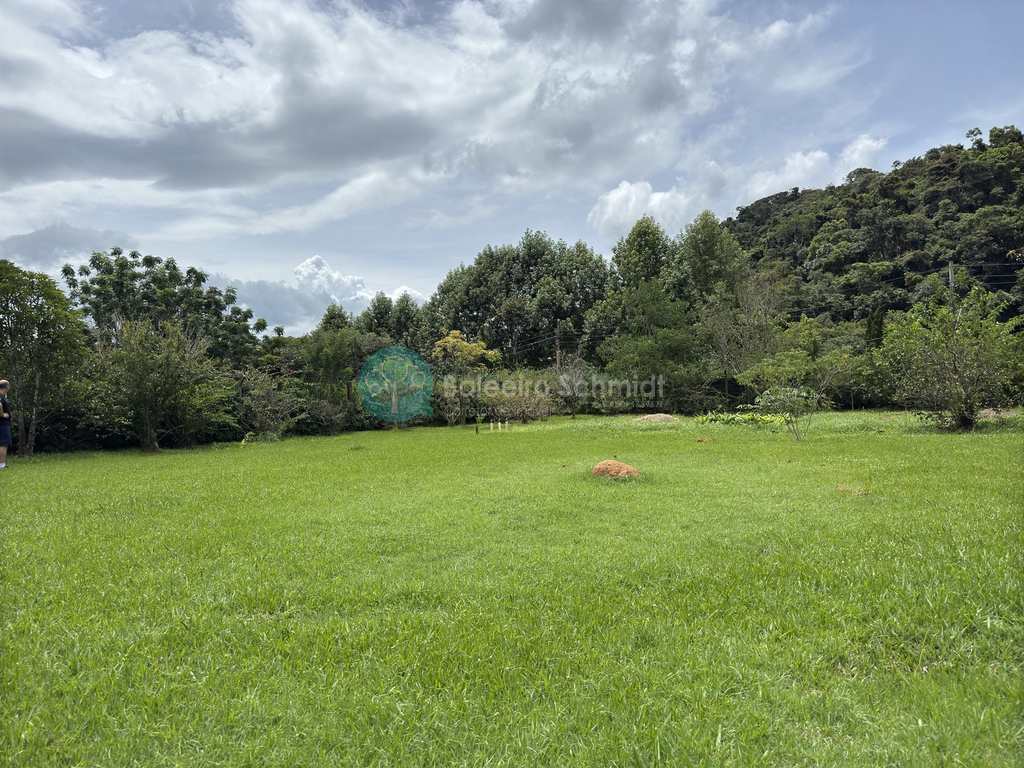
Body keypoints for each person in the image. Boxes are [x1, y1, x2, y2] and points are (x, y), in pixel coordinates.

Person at [0, 380, 10, 470]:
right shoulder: (0, 397)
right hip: (2, 424)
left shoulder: (3, 396)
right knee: (3, 444)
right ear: (6, 387)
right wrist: (3, 414)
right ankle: (2, 465)